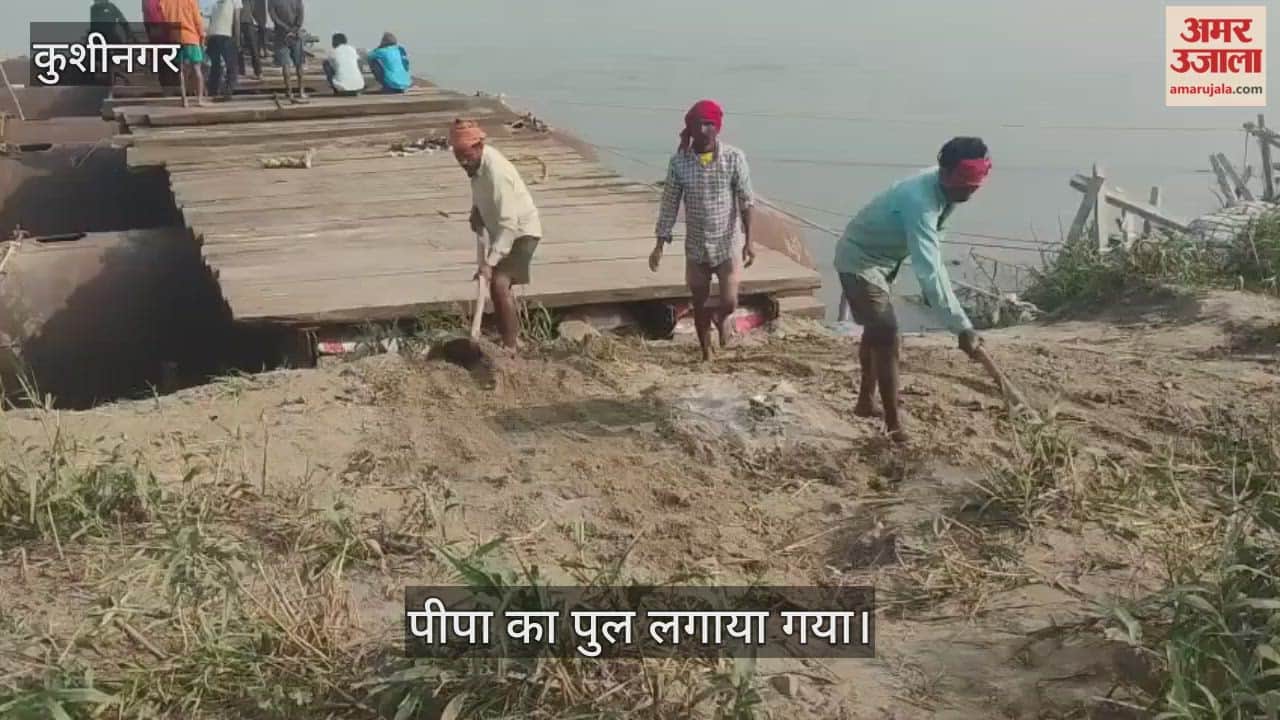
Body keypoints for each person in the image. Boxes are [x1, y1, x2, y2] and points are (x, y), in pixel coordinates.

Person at [834, 137, 991, 444]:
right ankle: (893, 426)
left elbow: (932, 255)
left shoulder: (946, 191)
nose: (968, 194)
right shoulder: (919, 201)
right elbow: (930, 270)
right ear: (946, 174)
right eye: (964, 188)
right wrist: (962, 327)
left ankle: (865, 402)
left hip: (884, 263)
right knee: (888, 334)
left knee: (875, 330)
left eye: (974, 189)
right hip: (859, 261)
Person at [651, 99, 755, 362]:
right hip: (697, 245)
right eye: (700, 124)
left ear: (718, 128)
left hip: (727, 243)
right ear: (691, 129)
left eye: (710, 124)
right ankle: (705, 352)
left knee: (729, 301)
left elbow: (746, 200)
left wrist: (749, 242)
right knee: (699, 301)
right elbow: (670, 203)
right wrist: (660, 244)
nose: (705, 130)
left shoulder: (733, 158)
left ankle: (721, 318)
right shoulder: (679, 163)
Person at [451, 119, 542, 351]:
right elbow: (479, 187)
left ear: (479, 146)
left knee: (499, 283)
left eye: (466, 155)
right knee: (499, 285)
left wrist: (489, 263)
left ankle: (510, 347)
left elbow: (509, 224)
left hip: (521, 232)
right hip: (500, 230)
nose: (462, 161)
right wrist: (476, 210)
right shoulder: (474, 165)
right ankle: (512, 337)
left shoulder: (497, 173)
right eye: (458, 154)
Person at [158, 0, 207, 107]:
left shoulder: (165, 2)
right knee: (197, 69)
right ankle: (199, 99)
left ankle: (184, 100)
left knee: (181, 70)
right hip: (191, 36)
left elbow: (163, 19)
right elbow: (197, 20)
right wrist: (202, 36)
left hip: (175, 37)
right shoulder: (190, 1)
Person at [268, 0, 306, 102]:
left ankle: (289, 92)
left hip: (281, 35)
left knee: (286, 65)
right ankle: (301, 91)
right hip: (296, 34)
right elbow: (301, 15)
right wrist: (294, 29)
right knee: (299, 64)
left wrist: (286, 29)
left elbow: (274, 18)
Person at [205, 0, 241, 99]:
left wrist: (207, 39)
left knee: (215, 66)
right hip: (226, 35)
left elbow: (211, 20)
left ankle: (213, 91)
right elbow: (237, 19)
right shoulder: (236, 1)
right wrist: (237, 39)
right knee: (232, 66)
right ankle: (228, 92)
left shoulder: (215, 3)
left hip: (213, 35)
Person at [237, 0, 263, 79]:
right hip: (237, 21)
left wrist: (259, 22)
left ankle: (258, 72)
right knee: (238, 46)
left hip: (248, 22)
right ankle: (241, 70)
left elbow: (253, 9)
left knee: (253, 47)